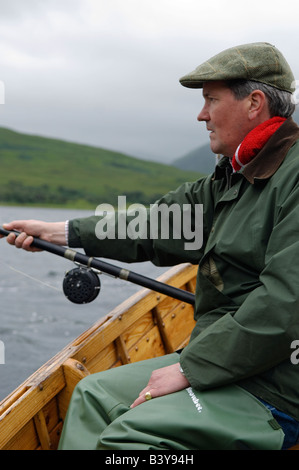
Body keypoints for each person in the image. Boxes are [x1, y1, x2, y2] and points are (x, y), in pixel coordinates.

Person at [2, 42, 299, 450]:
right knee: (92, 397)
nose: (201, 114)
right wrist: (60, 232)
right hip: (222, 361)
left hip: (276, 387)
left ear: (255, 103)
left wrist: (191, 368)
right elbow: (153, 225)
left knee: (129, 436)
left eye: (211, 100)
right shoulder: (231, 177)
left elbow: (287, 303)